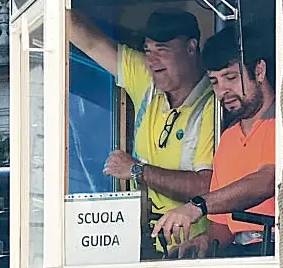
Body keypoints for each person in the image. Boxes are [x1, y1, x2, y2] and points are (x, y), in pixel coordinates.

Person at [151, 25, 283, 258]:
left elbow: (267, 181)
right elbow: (223, 226)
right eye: (214, 81)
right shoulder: (228, 138)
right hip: (245, 259)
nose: (222, 90)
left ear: (259, 71)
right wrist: (205, 241)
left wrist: (196, 206)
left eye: (230, 77)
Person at [68, 8, 216, 244]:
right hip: (151, 244)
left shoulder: (213, 103)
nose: (151, 60)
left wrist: (139, 170)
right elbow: (89, 41)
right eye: (148, 50)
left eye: (162, 50)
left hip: (195, 249)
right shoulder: (147, 80)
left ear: (191, 47)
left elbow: (206, 186)